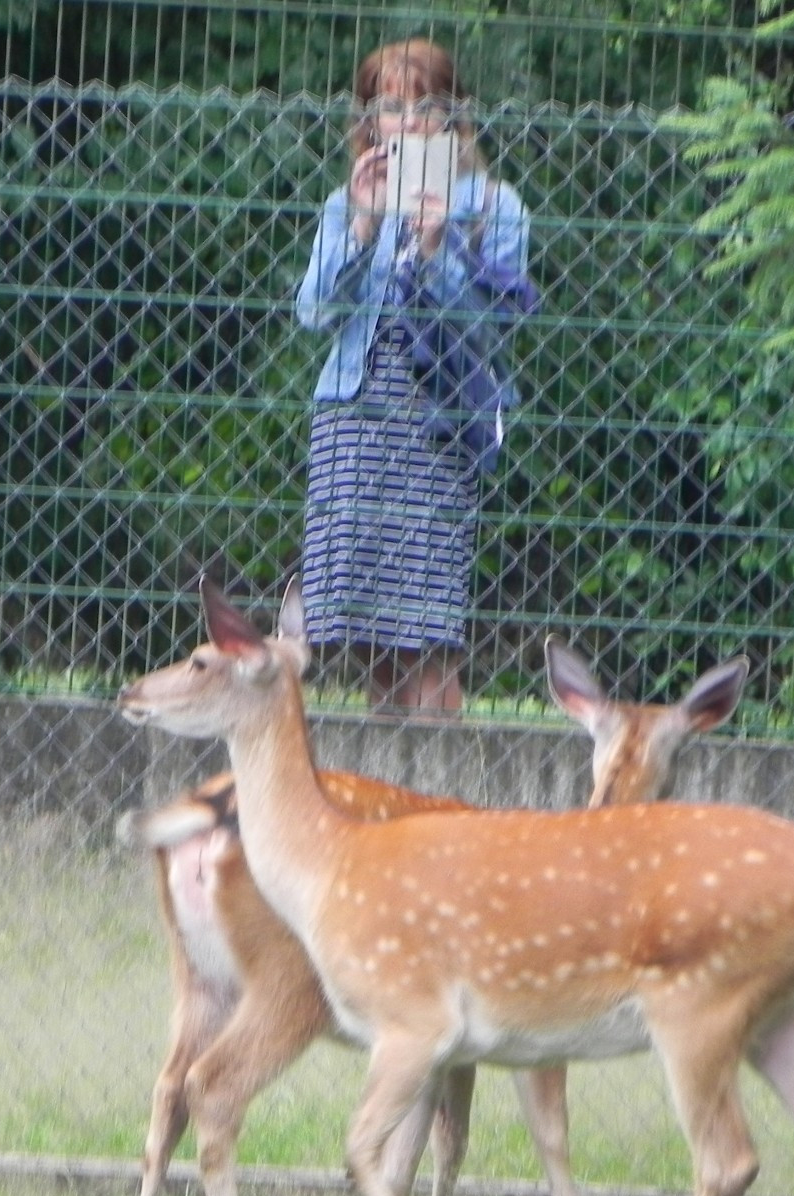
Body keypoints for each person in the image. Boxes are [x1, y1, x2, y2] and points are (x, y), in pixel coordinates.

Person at [293, 37, 534, 716]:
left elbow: (491, 332)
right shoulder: (349, 202)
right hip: (354, 423)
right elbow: (314, 311)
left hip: (438, 429)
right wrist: (365, 225)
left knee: (428, 636)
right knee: (367, 635)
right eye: (390, 107)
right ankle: (388, 807)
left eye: (426, 105)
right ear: (369, 121)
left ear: (455, 113)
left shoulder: (495, 206)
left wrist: (434, 251)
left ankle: (438, 797)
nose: (408, 122)